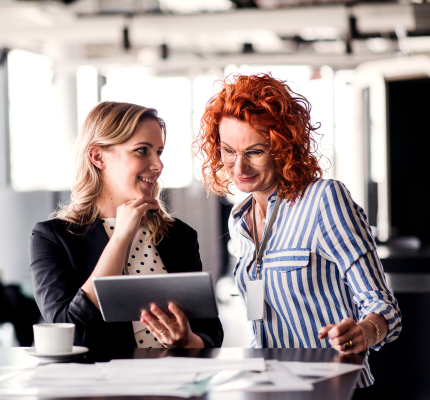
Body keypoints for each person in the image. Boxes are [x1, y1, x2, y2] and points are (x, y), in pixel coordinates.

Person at [195, 73, 401, 392]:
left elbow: (382, 304)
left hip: (333, 388)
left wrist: (363, 331)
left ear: (283, 146)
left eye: (255, 152)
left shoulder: (324, 200)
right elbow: (257, 315)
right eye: (228, 151)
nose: (239, 168)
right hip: (268, 387)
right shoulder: (240, 218)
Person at [30, 101, 223, 349]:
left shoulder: (179, 235)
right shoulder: (53, 238)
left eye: (159, 152)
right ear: (97, 156)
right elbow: (71, 333)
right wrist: (120, 237)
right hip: (103, 385)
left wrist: (187, 340)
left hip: (174, 381)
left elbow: (210, 332)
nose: (158, 164)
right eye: (142, 150)